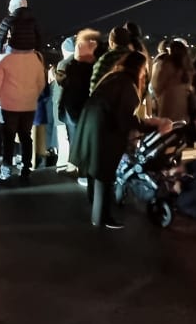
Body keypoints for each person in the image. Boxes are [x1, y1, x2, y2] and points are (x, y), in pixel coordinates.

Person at [70, 52, 170, 229]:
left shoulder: (114, 77)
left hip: (92, 126)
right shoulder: (127, 85)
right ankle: (102, 218)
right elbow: (125, 118)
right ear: (140, 68)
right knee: (104, 173)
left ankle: (95, 210)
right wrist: (151, 125)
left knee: (95, 171)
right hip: (104, 132)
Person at [0, 45, 46, 186]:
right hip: (29, 105)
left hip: (8, 105)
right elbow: (41, 83)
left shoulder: (4, 59)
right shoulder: (35, 59)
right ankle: (26, 169)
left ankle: (6, 171)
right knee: (26, 136)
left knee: (8, 138)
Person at [56, 29, 101, 186]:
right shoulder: (95, 63)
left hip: (72, 108)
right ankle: (84, 170)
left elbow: (63, 84)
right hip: (89, 108)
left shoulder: (67, 65)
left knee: (74, 138)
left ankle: (81, 171)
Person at [150, 40, 193, 122]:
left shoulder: (167, 64)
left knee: (169, 128)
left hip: (168, 101)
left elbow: (158, 85)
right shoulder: (188, 65)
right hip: (184, 103)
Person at [89, 26, 132, 93]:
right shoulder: (138, 57)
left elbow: (94, 86)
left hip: (111, 101)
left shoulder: (107, 58)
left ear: (111, 42)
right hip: (134, 101)